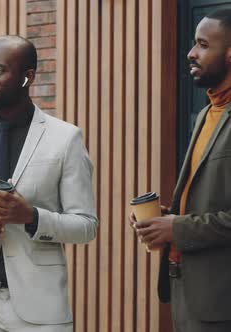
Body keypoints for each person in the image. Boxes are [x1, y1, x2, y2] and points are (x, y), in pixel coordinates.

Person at [0, 35, 98, 331]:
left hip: (42, 309)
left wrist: (32, 217)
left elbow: (86, 225)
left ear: (27, 77)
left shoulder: (65, 138)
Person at [130, 9, 231, 332]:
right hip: (185, 291)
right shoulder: (206, 114)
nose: (191, 53)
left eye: (203, 45)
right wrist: (165, 218)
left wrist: (179, 229)